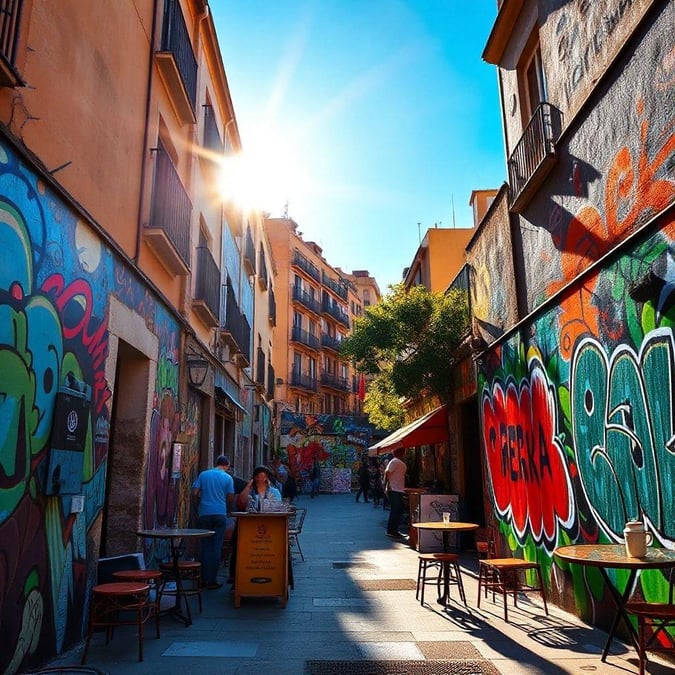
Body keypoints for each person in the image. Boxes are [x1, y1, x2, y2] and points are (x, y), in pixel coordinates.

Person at [191, 455, 235, 589]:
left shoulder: (204, 475)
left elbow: (195, 492)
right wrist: (224, 506)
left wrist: (198, 507)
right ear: (226, 466)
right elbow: (230, 497)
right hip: (219, 514)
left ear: (216, 463)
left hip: (204, 513)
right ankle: (211, 580)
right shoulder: (228, 478)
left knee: (205, 546)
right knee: (216, 547)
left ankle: (202, 578)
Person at [384, 448, 407, 538]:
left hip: (397, 488)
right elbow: (387, 472)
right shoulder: (395, 461)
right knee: (396, 510)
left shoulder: (397, 462)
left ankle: (393, 530)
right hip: (394, 488)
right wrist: (387, 485)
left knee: (398, 510)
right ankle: (391, 530)